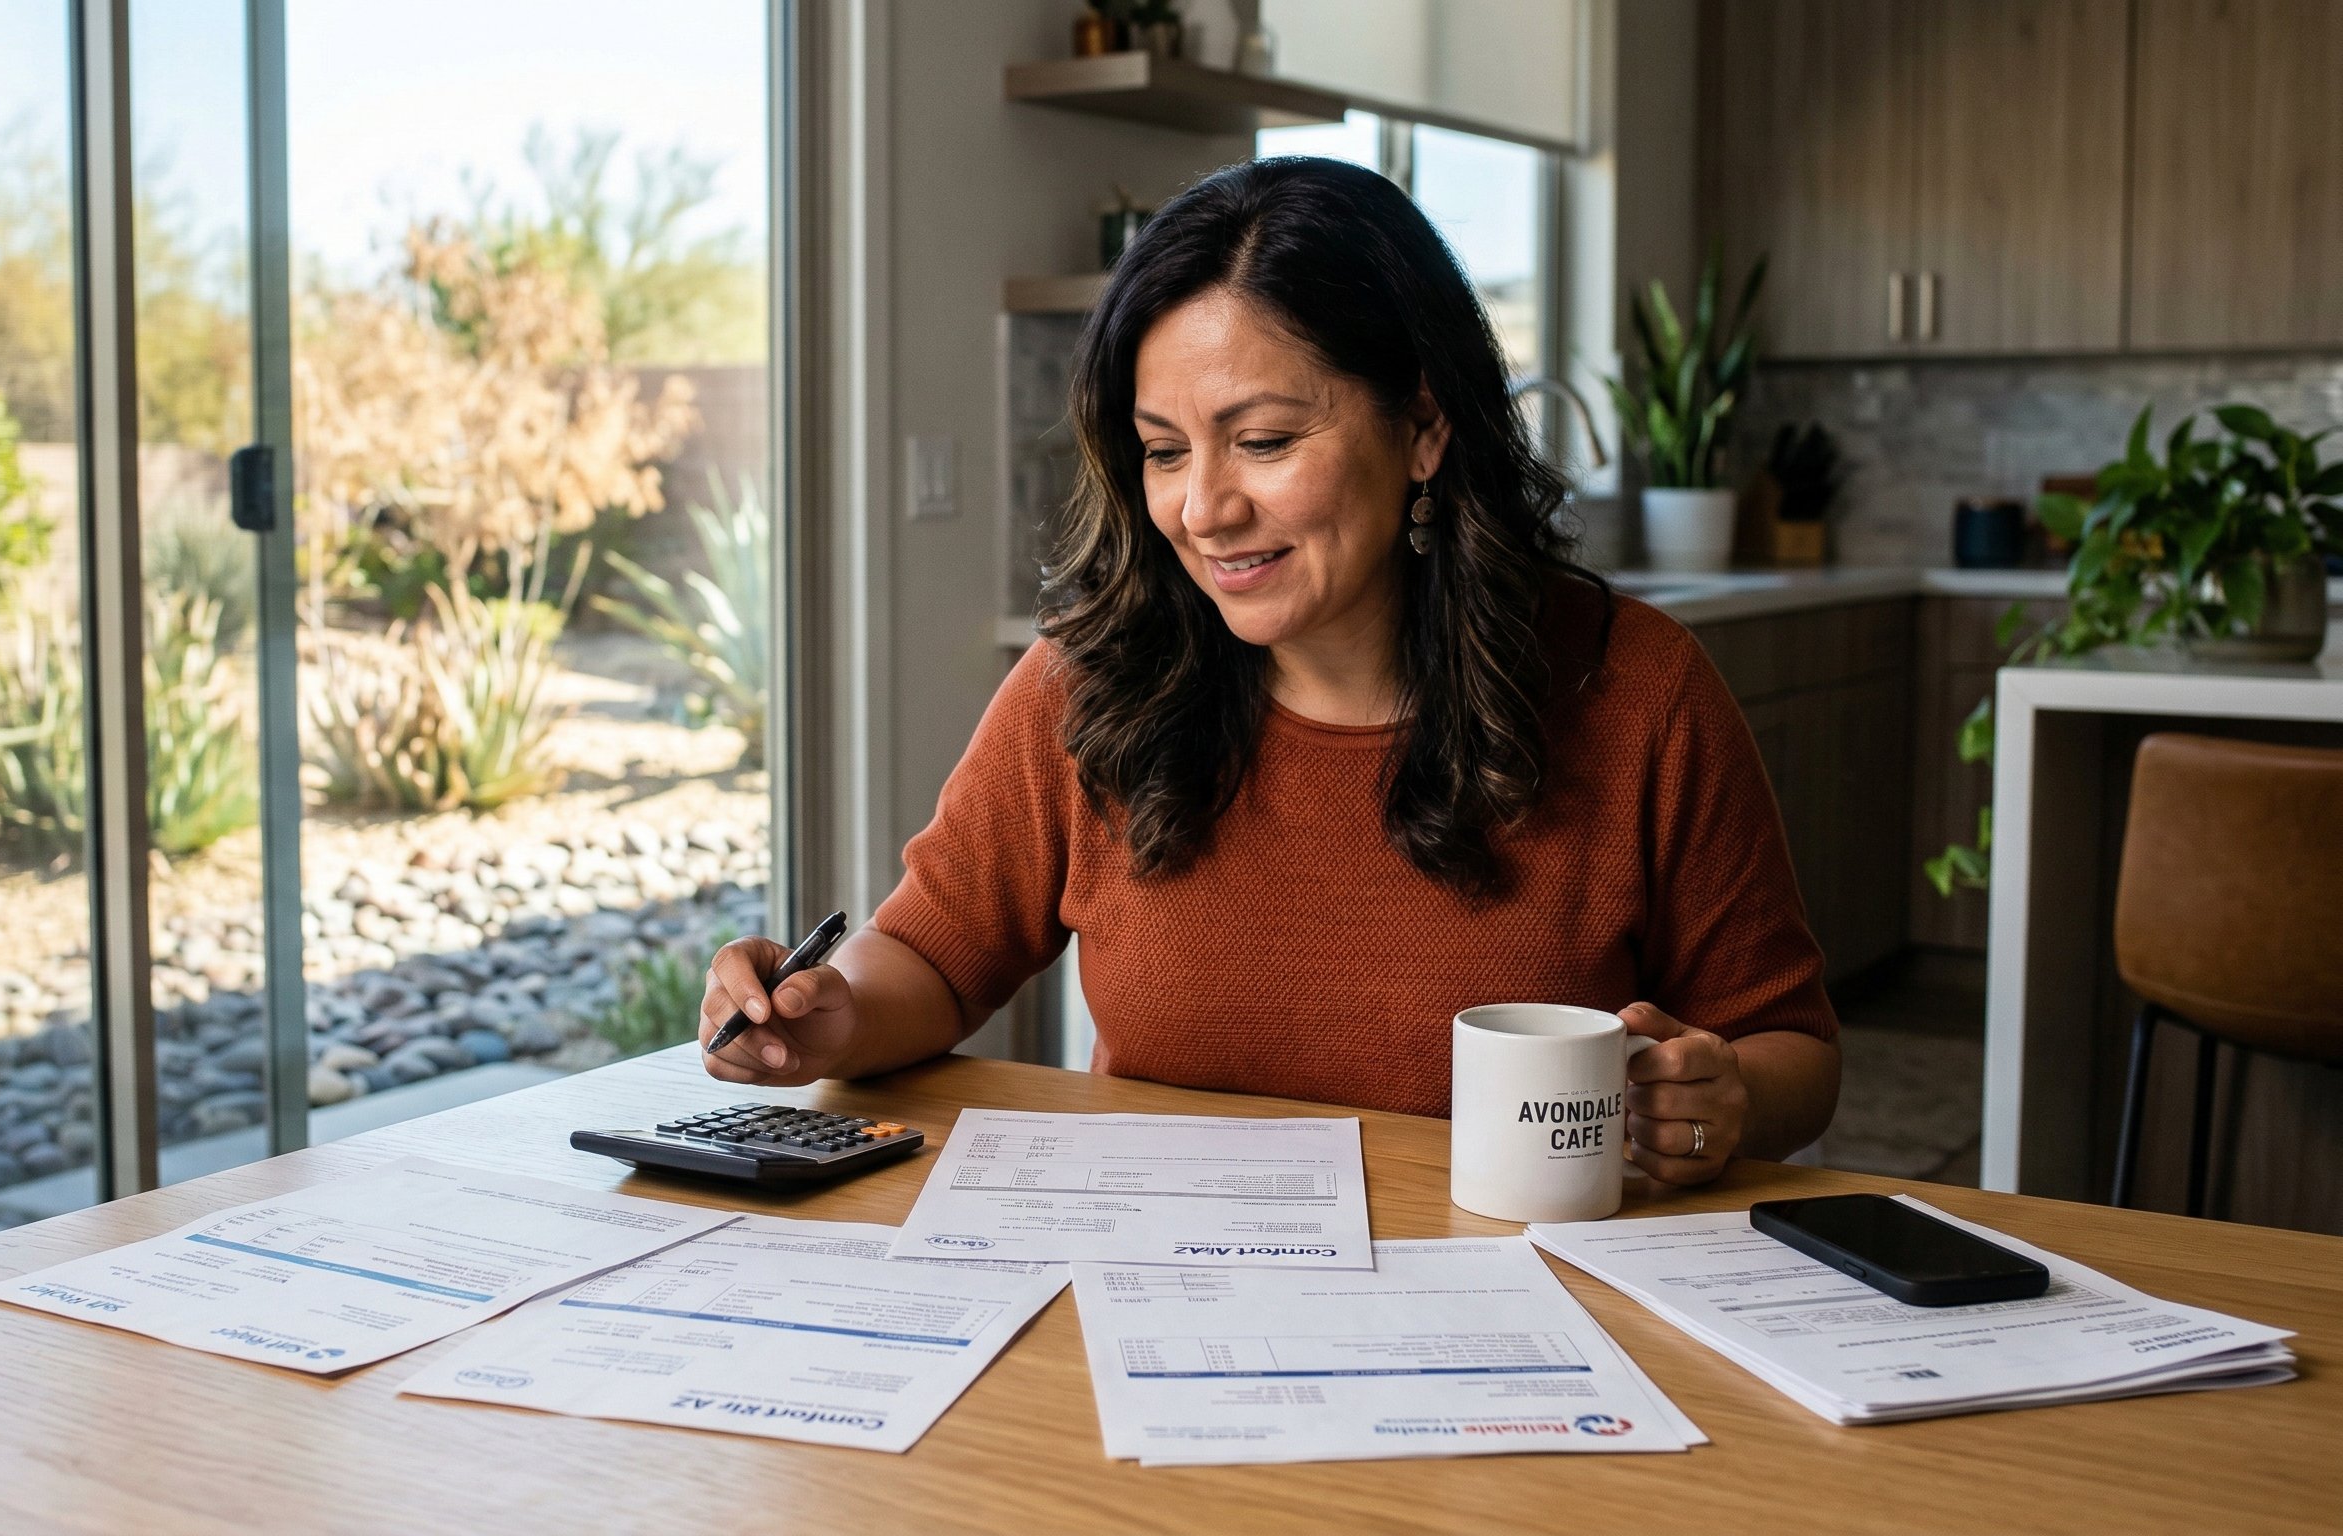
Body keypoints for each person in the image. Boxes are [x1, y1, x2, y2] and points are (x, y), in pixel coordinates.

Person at [698, 157, 1839, 1184]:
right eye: (1161, 451)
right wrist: (830, 1015)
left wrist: (1716, 1103)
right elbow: (932, 961)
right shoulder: (1084, 687)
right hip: (1166, 1304)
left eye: (1263, 441)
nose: (1203, 509)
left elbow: (1789, 1048)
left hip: (1509, 1323)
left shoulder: (1638, 692)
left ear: (1424, 427)